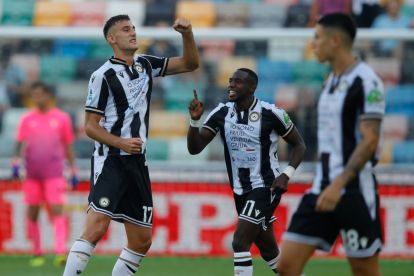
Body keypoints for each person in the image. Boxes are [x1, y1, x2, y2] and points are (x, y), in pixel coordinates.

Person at [63, 14, 199, 275]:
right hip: (111, 159)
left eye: (133, 28)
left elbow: (190, 63)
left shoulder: (146, 64)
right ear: (112, 39)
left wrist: (187, 34)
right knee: (96, 227)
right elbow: (90, 126)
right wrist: (121, 142)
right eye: (126, 30)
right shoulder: (102, 76)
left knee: (141, 240)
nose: (133, 32)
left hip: (137, 161)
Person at [278, 13, 385, 276]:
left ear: (335, 40)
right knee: (287, 266)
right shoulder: (331, 81)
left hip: (353, 192)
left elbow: (370, 139)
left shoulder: (367, 81)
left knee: (363, 271)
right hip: (321, 189)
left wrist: (339, 185)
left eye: (317, 37)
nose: (312, 44)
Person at [187, 68, 306, 275]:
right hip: (239, 189)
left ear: (252, 87)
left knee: (240, 242)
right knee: (269, 251)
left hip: (265, 187)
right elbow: (195, 148)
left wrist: (286, 174)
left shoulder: (272, 114)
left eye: (238, 82)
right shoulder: (221, 113)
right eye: (230, 81)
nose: (231, 85)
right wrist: (195, 120)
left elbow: (300, 145)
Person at [13, 81, 78, 267]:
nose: (37, 98)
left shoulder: (62, 118)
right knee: (33, 212)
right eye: (34, 95)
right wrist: (16, 162)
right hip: (32, 174)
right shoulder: (27, 119)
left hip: (54, 173)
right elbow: (19, 143)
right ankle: (37, 251)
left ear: (48, 95)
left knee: (57, 208)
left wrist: (73, 169)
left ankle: (59, 251)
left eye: (40, 94)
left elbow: (68, 145)